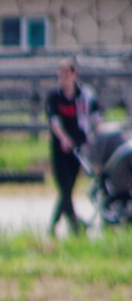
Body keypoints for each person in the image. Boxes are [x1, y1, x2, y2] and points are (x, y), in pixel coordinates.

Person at [47, 58, 96, 237]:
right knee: (65, 187)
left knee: (68, 189)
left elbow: (95, 118)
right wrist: (64, 138)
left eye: (68, 74)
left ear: (74, 75)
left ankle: (58, 227)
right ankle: (73, 226)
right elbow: (54, 121)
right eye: (61, 74)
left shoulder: (85, 95)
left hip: (78, 148)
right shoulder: (55, 97)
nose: (64, 77)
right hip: (61, 149)